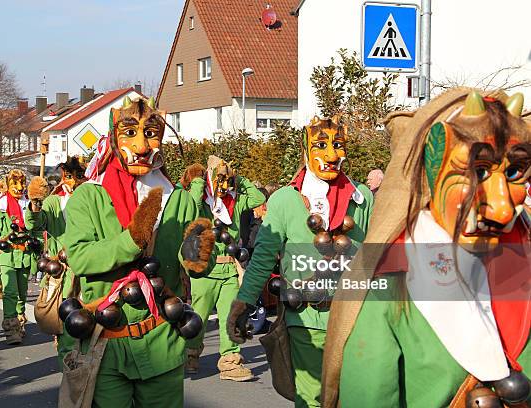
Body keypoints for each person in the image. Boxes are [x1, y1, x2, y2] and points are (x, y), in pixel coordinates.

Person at [321, 90, 531, 407]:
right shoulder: (385, 287)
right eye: (478, 171)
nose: (501, 210)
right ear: (430, 173)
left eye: (515, 172)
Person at [62, 96, 216, 407]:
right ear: (114, 139)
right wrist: (131, 240)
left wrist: (201, 253)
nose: (143, 146)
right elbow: (80, 257)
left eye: (151, 133)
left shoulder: (180, 200)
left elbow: (197, 267)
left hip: (163, 345)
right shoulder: (89, 197)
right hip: (106, 345)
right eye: (130, 133)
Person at [227, 115, 374, 407]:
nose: (331, 154)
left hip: (353, 321)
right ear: (306, 150)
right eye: (321, 145)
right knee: (312, 398)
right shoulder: (284, 200)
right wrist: (242, 303)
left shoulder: (363, 198)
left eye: (338, 145)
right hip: (304, 320)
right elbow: (262, 260)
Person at [184, 156, 265, 381]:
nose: (223, 185)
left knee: (231, 315)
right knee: (198, 317)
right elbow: (190, 206)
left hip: (229, 269)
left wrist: (239, 178)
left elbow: (258, 198)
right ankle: (191, 354)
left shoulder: (234, 202)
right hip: (205, 272)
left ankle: (230, 362)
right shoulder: (202, 203)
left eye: (225, 180)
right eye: (220, 180)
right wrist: (203, 180)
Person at [24, 156, 87, 367]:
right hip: (63, 273)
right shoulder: (54, 201)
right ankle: (69, 367)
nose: (74, 181)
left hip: (88, 269)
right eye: (69, 176)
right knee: (65, 322)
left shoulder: (93, 198)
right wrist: (35, 203)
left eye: (79, 176)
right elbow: (35, 224)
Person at [0, 169, 39, 345]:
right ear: (8, 184)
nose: (20, 187)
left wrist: (38, 244)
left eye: (23, 183)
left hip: (25, 255)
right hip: (7, 255)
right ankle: (11, 327)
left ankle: (20, 319)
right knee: (10, 292)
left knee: (22, 293)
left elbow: (36, 229)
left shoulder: (29, 204)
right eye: (16, 184)